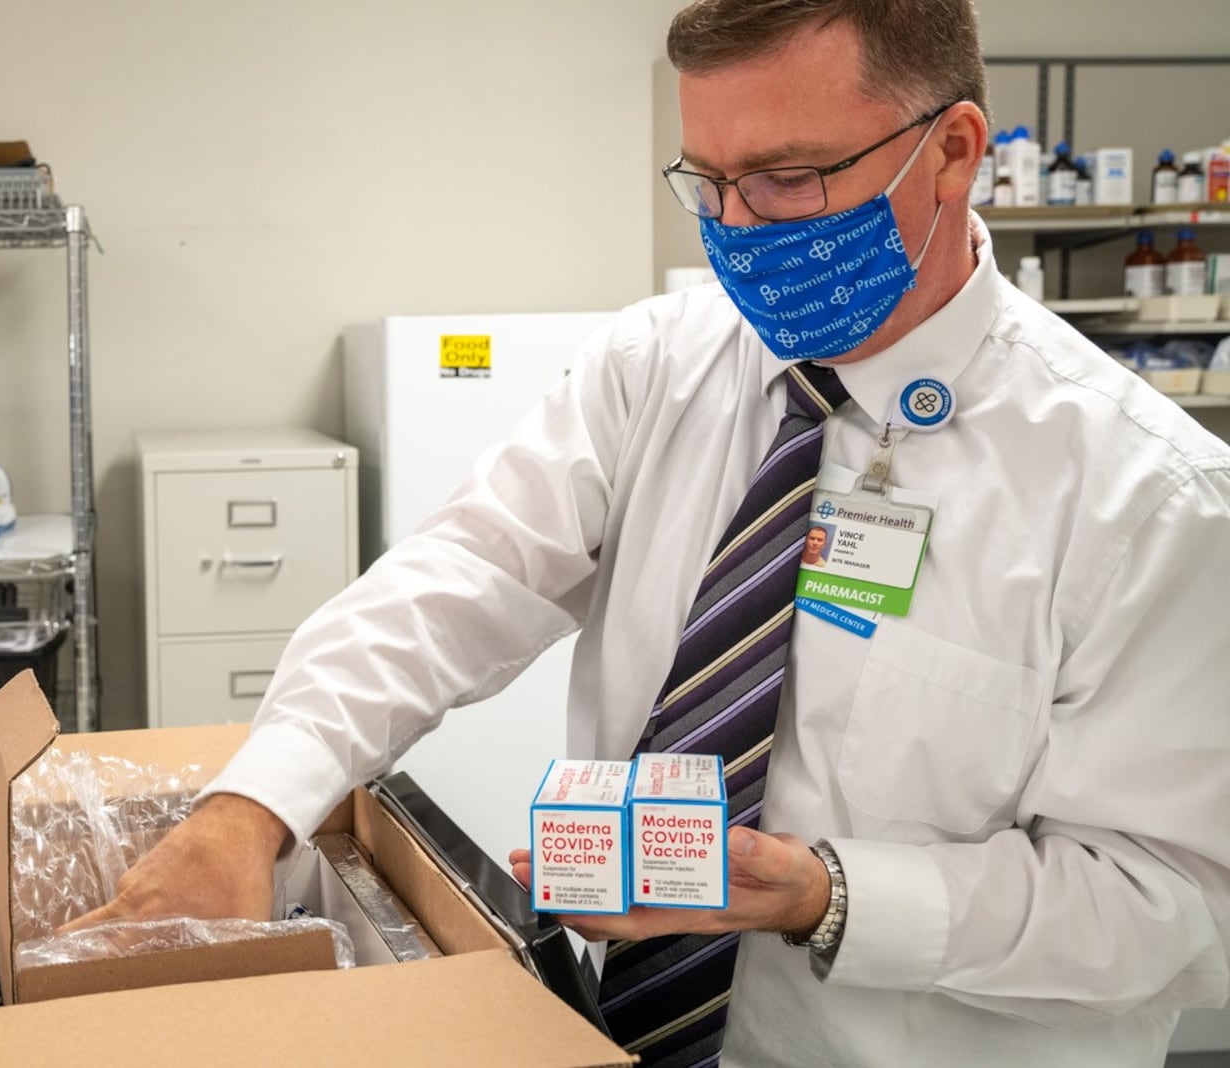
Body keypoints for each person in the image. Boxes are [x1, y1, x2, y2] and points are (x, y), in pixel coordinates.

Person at [68, 1, 1230, 1064]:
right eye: (707, 180)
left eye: (788, 177)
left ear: (954, 150)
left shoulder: (1148, 498)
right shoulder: (659, 365)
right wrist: (253, 802)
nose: (737, 227)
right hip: (613, 1030)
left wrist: (823, 895)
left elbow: (1174, 911)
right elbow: (458, 580)